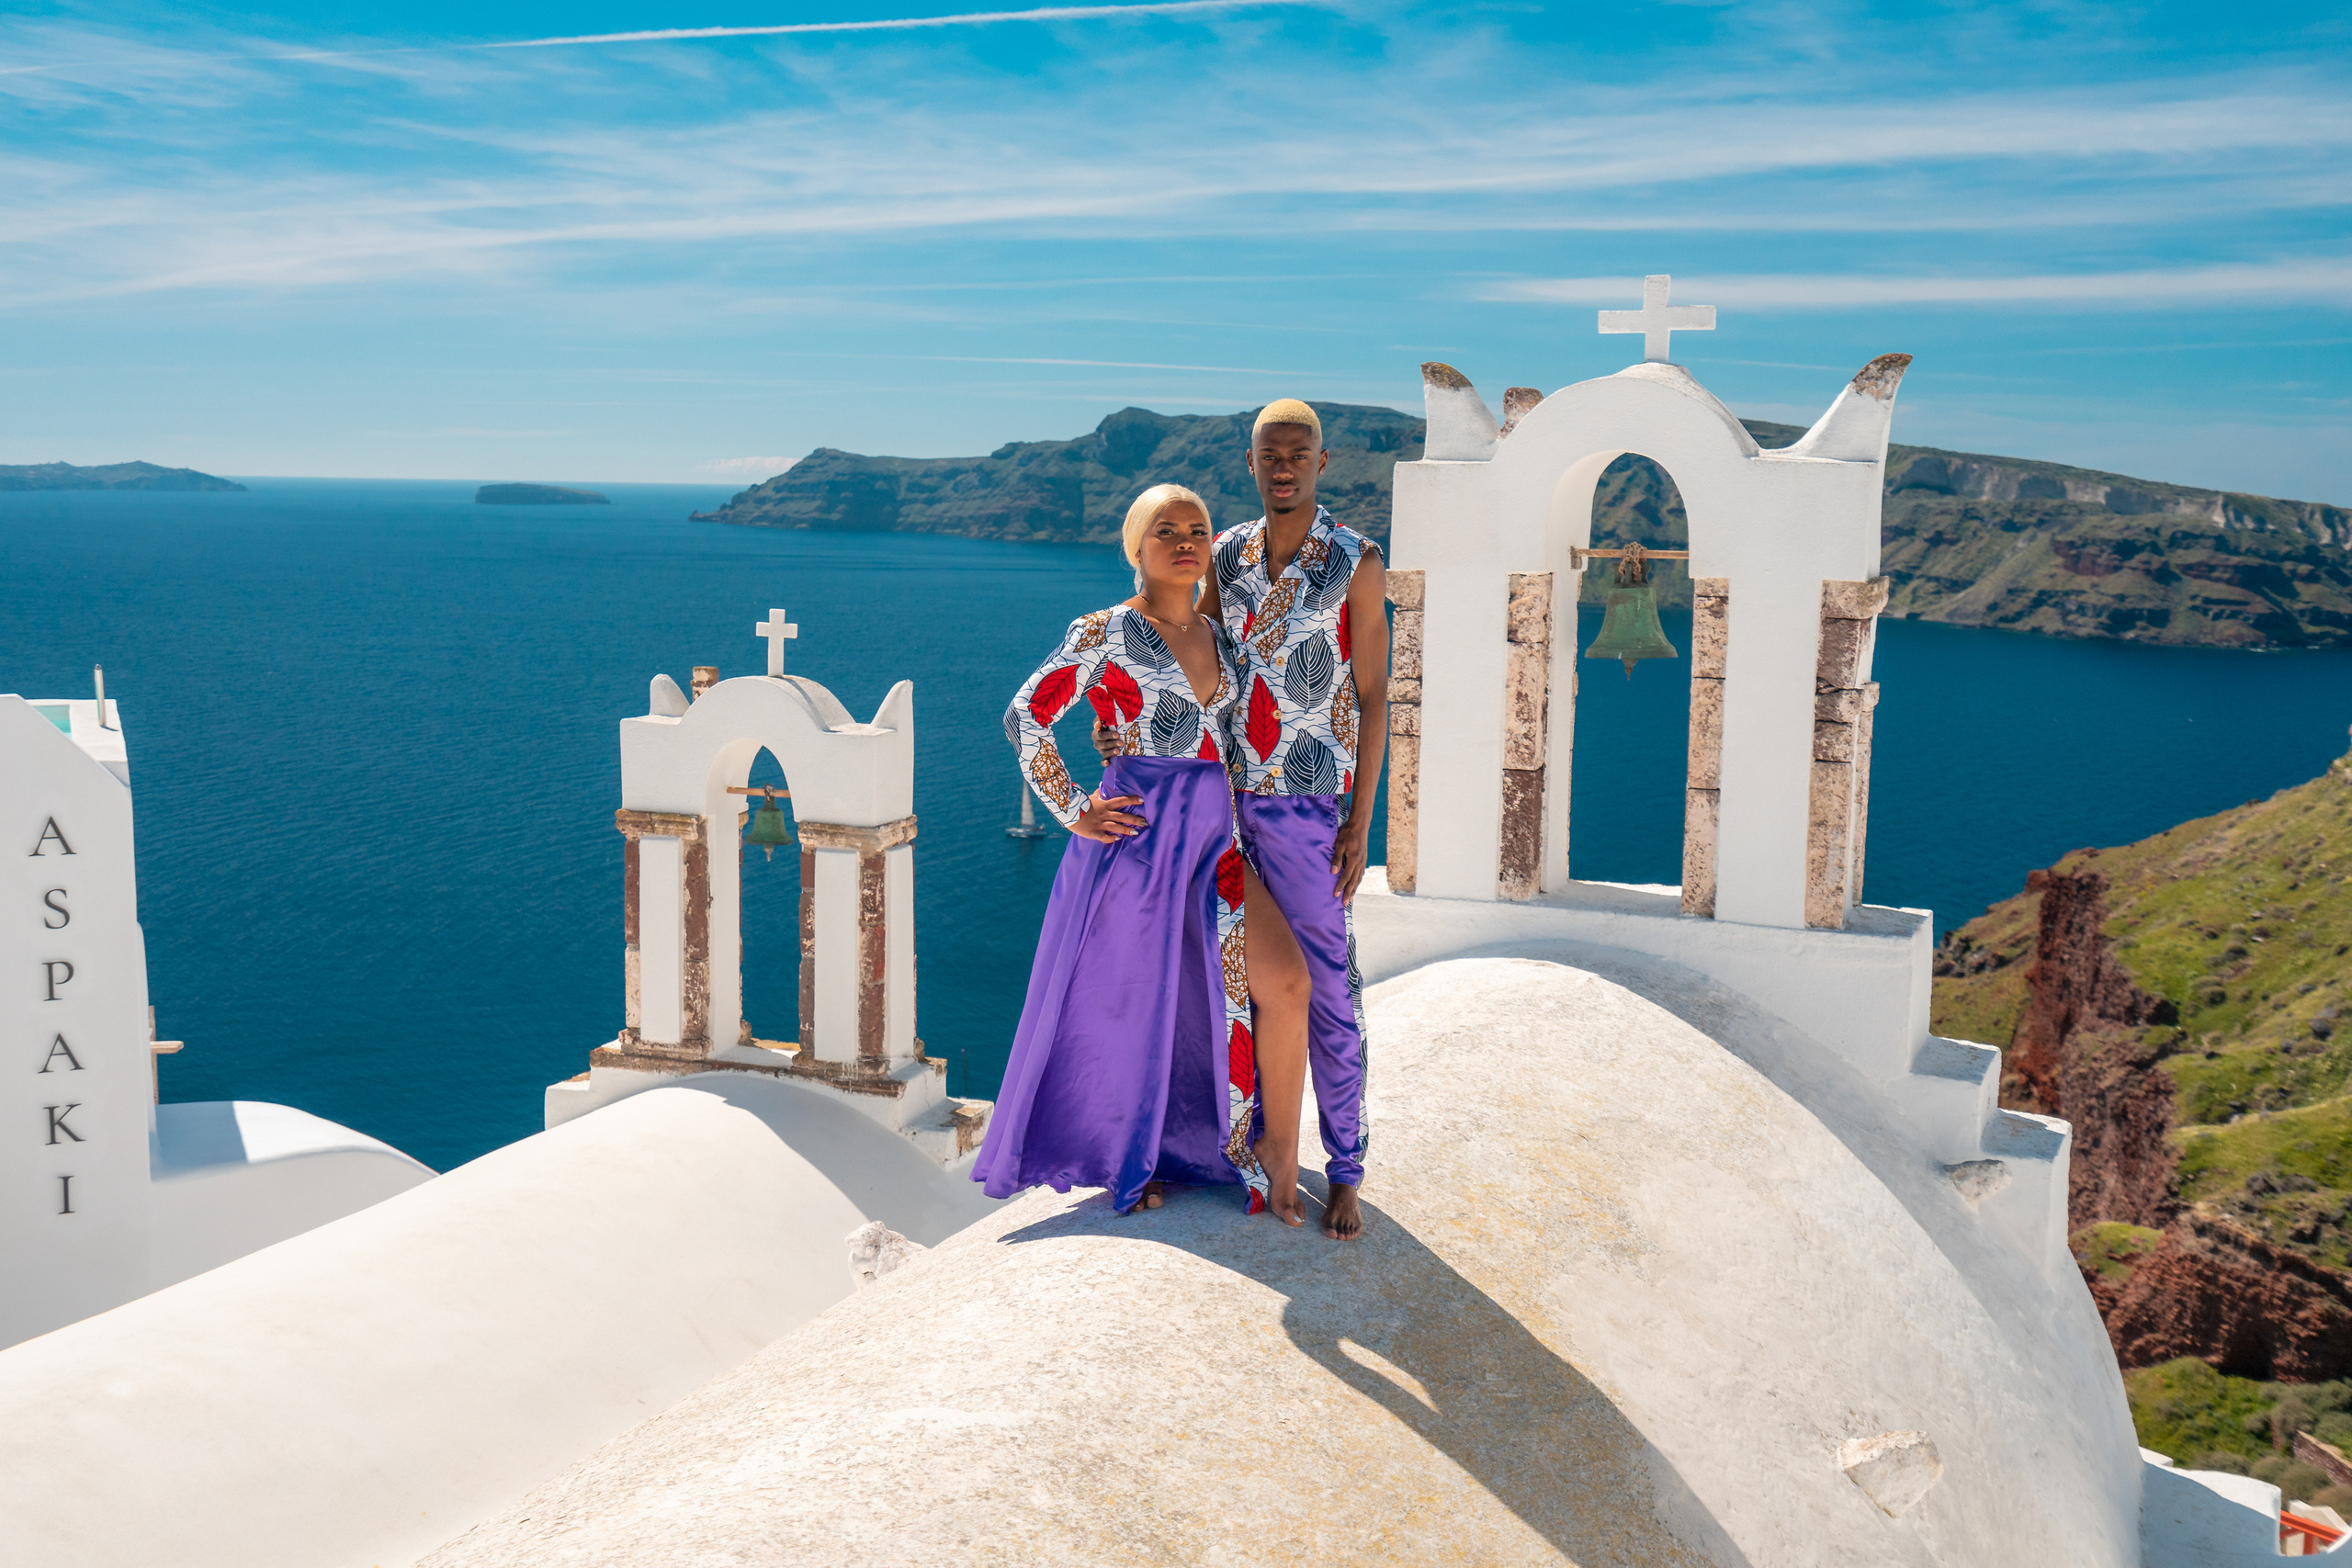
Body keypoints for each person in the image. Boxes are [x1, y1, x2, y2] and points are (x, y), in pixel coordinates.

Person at [1109, 400, 1386, 1239]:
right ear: (1252, 462)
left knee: (1326, 986)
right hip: (1219, 805)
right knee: (1222, 981)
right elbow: (1182, 650)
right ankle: (1227, 1144)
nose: (1285, 467)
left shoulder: (1356, 561)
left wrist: (1360, 820)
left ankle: (1346, 1167)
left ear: (1322, 462)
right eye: (1271, 454)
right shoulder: (1225, 554)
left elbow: (1375, 695)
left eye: (1300, 453)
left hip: (1308, 808)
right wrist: (1120, 724)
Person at [972, 484, 1268, 1217]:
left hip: (1214, 844)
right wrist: (1076, 810)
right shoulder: (1104, 631)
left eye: (1197, 529)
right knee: (1128, 1001)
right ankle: (1123, 1157)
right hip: (1139, 843)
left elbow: (1227, 735)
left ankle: (1197, 1149)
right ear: (1136, 546)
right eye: (1165, 530)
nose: (1185, 541)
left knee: (1203, 998)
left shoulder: (1217, 634)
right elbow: (1024, 717)